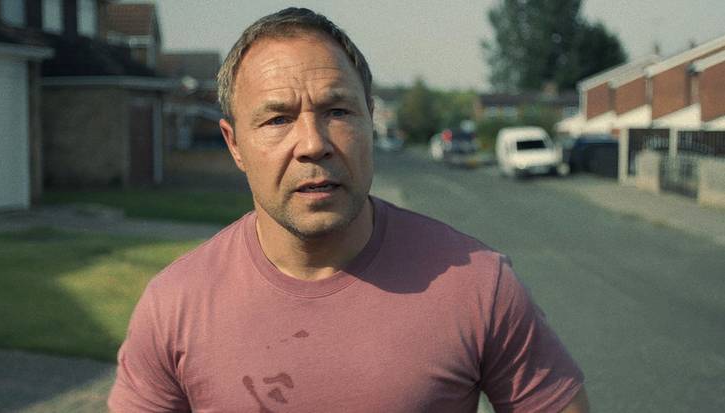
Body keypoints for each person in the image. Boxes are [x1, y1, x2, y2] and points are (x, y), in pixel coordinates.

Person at [108, 7, 589, 413]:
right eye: (278, 118)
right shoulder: (173, 307)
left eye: (337, 112)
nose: (314, 144)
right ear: (235, 144)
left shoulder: (478, 285)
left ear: (369, 121)